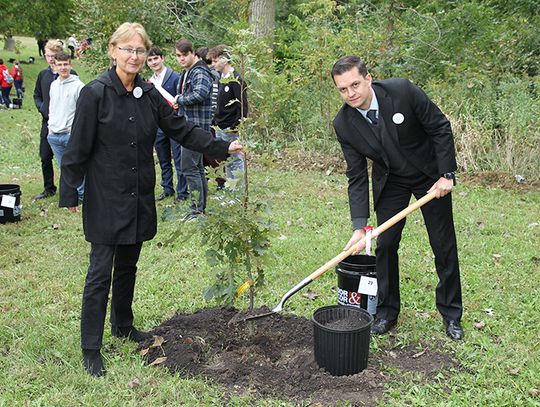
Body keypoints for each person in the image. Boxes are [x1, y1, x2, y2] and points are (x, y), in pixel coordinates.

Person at [58, 22, 242, 377]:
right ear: (112, 51)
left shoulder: (149, 93)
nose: (134, 56)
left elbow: (181, 128)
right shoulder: (95, 93)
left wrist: (221, 146)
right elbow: (77, 147)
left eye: (140, 50)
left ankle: (123, 325)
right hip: (106, 196)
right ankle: (91, 347)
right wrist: (70, 191)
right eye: (127, 49)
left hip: (139, 194)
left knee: (129, 264)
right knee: (100, 273)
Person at [331, 56, 463, 341]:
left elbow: (439, 127)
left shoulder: (402, 91)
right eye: (343, 89)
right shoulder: (344, 123)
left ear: (368, 78)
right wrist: (359, 225)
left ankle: (451, 314)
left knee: (443, 245)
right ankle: (387, 312)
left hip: (430, 175)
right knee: (386, 245)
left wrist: (446, 174)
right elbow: (356, 175)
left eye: (355, 84)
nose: (350, 93)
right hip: (391, 181)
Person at [175, 38, 214, 218]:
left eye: (184, 55)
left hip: (196, 128)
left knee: (190, 168)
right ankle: (200, 208)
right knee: (196, 168)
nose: (181, 59)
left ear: (193, 54)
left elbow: (200, 93)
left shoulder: (200, 72)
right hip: (190, 126)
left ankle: (196, 210)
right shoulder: (189, 72)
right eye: (177, 56)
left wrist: (179, 99)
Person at [33, 39, 76, 200]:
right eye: (47, 55)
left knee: (67, 159)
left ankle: (73, 189)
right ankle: (48, 187)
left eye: (52, 55)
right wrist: (42, 108)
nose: (50, 59)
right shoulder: (43, 75)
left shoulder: (70, 75)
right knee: (45, 156)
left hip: (66, 125)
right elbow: (37, 95)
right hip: (48, 123)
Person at [146, 46, 187, 202]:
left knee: (178, 159)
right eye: (150, 60)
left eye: (156, 58)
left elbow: (182, 98)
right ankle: (167, 189)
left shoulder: (175, 77)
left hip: (174, 123)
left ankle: (182, 192)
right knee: (163, 160)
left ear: (162, 58)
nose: (153, 62)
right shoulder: (150, 82)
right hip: (158, 125)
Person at [47, 51, 85, 202]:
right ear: (54, 66)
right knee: (64, 168)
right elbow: (52, 107)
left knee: (77, 166)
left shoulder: (79, 86)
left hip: (70, 134)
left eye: (65, 64)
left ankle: (83, 195)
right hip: (54, 135)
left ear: (70, 65)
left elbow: (83, 113)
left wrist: (75, 132)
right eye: (60, 65)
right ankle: (71, 195)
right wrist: (50, 128)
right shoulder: (53, 85)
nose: (63, 68)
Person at [209, 44, 248, 180]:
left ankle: (237, 192)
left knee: (235, 159)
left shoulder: (236, 79)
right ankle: (229, 189)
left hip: (230, 128)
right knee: (225, 158)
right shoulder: (221, 78)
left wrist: (235, 127)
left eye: (215, 61)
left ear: (224, 59)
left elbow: (243, 107)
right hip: (220, 126)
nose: (213, 64)